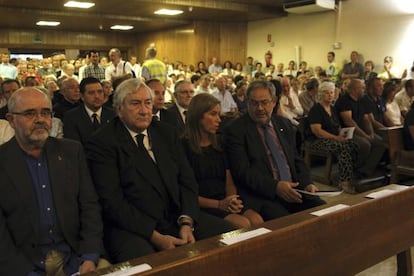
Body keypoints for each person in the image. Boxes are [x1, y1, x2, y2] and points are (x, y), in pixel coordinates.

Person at [85, 78, 234, 262]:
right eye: (135, 103)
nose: (144, 110)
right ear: (118, 109)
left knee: (229, 237)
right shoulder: (102, 142)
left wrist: (187, 221)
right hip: (132, 227)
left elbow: (187, 182)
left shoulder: (166, 133)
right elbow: (113, 202)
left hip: (175, 217)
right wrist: (155, 236)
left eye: (148, 103)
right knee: (148, 261)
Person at [0, 87, 106, 275]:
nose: (40, 119)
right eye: (30, 113)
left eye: (46, 112)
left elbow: (90, 207)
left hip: (75, 258)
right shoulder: (3, 161)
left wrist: (89, 256)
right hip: (25, 264)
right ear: (11, 120)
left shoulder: (71, 152)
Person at [223, 80, 325, 221]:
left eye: (264, 102)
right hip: (263, 195)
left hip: (294, 190)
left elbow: (296, 160)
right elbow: (242, 172)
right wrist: (275, 187)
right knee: (287, 224)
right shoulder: (236, 130)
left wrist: (308, 183)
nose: (259, 108)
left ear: (274, 101)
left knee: (324, 212)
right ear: (247, 102)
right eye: (254, 103)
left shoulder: (284, 125)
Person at [182, 93, 263, 228]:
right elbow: (185, 192)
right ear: (198, 116)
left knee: (256, 220)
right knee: (242, 224)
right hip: (202, 203)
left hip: (223, 199)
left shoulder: (219, 143)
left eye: (219, 115)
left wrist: (232, 200)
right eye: (213, 114)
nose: (218, 120)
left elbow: (228, 178)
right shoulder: (183, 147)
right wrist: (219, 205)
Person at [306, 82, 359, 193]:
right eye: (327, 93)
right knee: (342, 147)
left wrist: (342, 134)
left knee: (353, 144)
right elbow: (317, 131)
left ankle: (351, 177)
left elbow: (337, 126)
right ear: (321, 94)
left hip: (332, 138)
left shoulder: (333, 109)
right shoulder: (316, 109)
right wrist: (336, 138)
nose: (330, 95)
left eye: (332, 92)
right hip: (317, 140)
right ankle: (344, 182)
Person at [334, 79, 386, 178]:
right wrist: (365, 135)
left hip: (360, 130)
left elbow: (366, 119)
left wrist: (370, 133)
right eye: (362, 88)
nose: (364, 90)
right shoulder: (344, 101)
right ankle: (355, 169)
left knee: (380, 142)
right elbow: (349, 121)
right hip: (346, 132)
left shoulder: (361, 100)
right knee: (364, 144)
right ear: (354, 89)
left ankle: (365, 170)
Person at [63, 77, 115, 146]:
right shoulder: (71, 117)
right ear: (82, 96)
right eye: (91, 93)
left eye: (100, 92)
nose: (97, 96)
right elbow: (74, 147)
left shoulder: (113, 115)